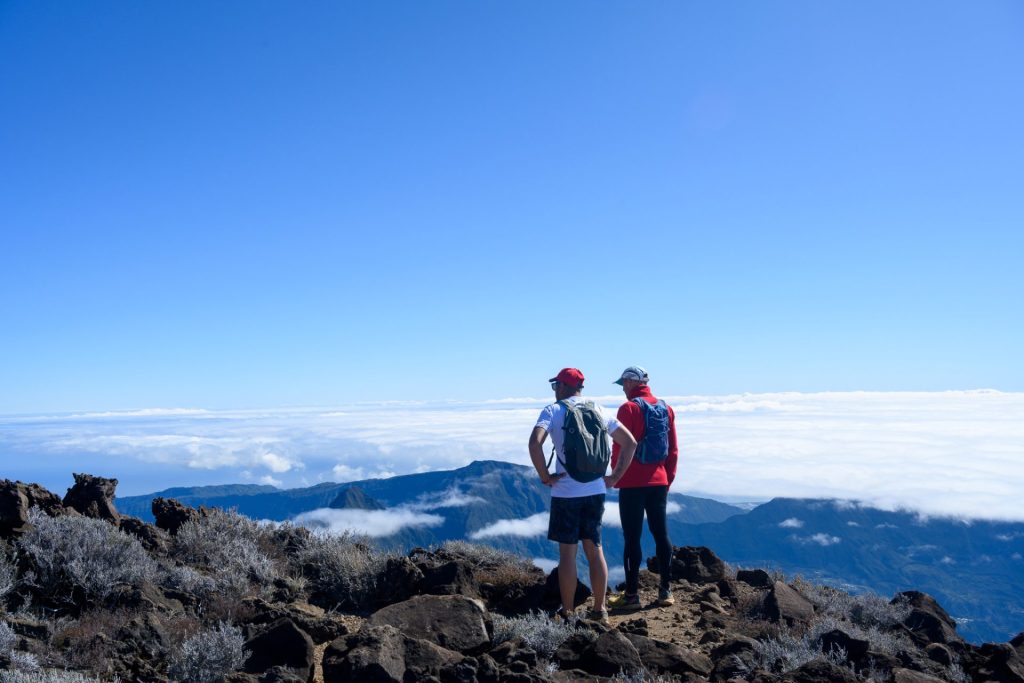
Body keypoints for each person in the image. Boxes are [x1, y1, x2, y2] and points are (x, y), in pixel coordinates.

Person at [528, 367, 637, 624]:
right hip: (596, 490)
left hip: (565, 492)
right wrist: (614, 478)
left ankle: (568, 612)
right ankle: (600, 611)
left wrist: (545, 476)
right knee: (594, 549)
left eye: (556, 385)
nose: (555, 390)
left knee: (568, 554)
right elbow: (630, 442)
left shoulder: (553, 411)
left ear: (564, 387)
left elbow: (535, 443)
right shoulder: (599, 410)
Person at [606, 365, 679, 610]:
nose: (623, 389)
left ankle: (632, 596)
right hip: (659, 481)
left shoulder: (628, 408)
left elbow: (620, 447)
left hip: (631, 482)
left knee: (632, 538)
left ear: (630, 382)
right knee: (661, 534)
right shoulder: (665, 408)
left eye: (623, 384)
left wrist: (615, 476)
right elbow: (673, 449)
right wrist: (667, 478)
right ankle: (666, 592)